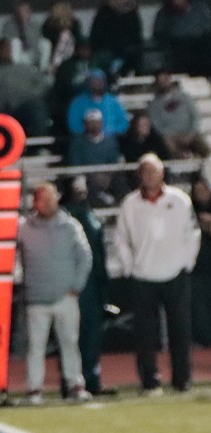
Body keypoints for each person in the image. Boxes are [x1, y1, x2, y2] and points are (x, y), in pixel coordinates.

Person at [112, 154, 201, 394]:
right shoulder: (130, 204)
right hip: (143, 276)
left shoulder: (180, 200)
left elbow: (192, 233)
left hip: (175, 273)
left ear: (162, 173)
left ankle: (182, 380)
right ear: (140, 175)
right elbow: (120, 238)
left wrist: (186, 263)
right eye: (146, 172)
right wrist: (130, 266)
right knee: (144, 334)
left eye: (155, 171)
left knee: (180, 330)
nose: (151, 176)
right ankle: (149, 381)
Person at [17, 182, 94, 404]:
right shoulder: (24, 228)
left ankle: (75, 385)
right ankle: (34, 389)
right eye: (43, 199)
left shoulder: (70, 226)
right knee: (35, 347)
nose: (48, 203)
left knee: (69, 342)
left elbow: (85, 257)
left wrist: (76, 287)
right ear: (35, 202)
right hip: (36, 298)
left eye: (51, 198)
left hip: (65, 296)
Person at [62, 176, 116, 395]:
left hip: (94, 282)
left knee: (92, 336)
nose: (82, 192)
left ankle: (91, 380)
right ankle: (73, 382)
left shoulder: (87, 211)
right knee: (73, 336)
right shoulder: (64, 216)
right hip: (74, 284)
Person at [0, 38, 51, 136]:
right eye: (1, 49)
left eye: (7, 49)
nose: (4, 52)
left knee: (37, 107)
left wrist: (31, 95)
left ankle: (39, 145)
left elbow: (43, 84)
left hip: (22, 106)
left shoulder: (24, 69)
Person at [145, 70, 210, 160]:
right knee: (168, 147)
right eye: (160, 81)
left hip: (190, 133)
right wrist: (171, 136)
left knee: (205, 150)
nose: (163, 83)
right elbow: (157, 126)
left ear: (169, 79)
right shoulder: (153, 105)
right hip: (171, 137)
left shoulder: (185, 97)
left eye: (165, 80)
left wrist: (190, 133)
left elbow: (195, 116)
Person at [152, 0, 211, 77]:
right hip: (177, 54)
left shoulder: (200, 10)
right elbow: (159, 34)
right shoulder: (164, 14)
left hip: (201, 53)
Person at [66, 109, 126, 206]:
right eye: (91, 122)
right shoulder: (77, 143)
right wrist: (92, 176)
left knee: (121, 182)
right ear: (85, 124)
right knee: (79, 186)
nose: (94, 124)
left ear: (101, 123)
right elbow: (76, 165)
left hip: (108, 177)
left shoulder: (110, 141)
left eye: (96, 122)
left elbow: (115, 162)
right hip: (87, 178)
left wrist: (107, 176)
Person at [88, 0, 143, 76]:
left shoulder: (132, 14)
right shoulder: (103, 13)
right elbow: (96, 34)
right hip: (107, 50)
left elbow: (136, 34)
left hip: (127, 51)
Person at [66, 68, 129, 137]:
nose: (97, 84)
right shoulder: (78, 102)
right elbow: (74, 126)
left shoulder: (112, 101)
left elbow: (123, 123)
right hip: (85, 142)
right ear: (88, 83)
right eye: (94, 81)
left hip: (111, 141)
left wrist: (110, 133)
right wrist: (91, 135)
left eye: (100, 80)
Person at [1, 0, 48, 71]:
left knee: (46, 43)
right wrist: (21, 25)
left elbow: (36, 42)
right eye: (22, 10)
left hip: (32, 53)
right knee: (16, 42)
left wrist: (26, 26)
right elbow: (8, 42)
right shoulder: (9, 25)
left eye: (27, 10)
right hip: (18, 55)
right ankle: (15, 70)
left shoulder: (34, 25)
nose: (25, 12)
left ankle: (43, 70)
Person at [191, 174, 211, 347]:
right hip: (198, 269)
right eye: (197, 190)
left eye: (203, 189)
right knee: (200, 310)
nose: (201, 193)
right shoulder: (188, 210)